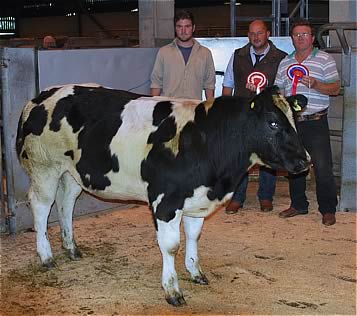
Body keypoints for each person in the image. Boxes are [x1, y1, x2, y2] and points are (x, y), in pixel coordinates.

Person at [274, 19, 340, 226]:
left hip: (316, 120)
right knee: (295, 165)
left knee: (322, 167)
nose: (300, 38)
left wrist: (317, 84)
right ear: (292, 39)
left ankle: (328, 209)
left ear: (312, 38)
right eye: (296, 35)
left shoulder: (324, 59)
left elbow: (335, 88)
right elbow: (278, 91)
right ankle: (298, 204)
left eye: (304, 34)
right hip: (293, 122)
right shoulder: (285, 62)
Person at [222, 20, 287, 214]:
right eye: (252, 33)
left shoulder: (281, 58)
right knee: (240, 157)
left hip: (267, 116)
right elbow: (228, 83)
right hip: (242, 115)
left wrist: (266, 91)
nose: (255, 37)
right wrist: (226, 110)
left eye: (259, 33)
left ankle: (266, 196)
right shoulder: (237, 56)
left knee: (267, 156)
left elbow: (283, 89)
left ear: (268, 34)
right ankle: (237, 197)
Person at [150, 10, 216, 100]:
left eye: (187, 26)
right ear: (175, 28)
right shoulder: (163, 53)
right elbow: (156, 83)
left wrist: (210, 111)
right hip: (168, 109)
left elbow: (209, 85)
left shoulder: (205, 54)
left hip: (193, 109)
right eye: (179, 26)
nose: (183, 31)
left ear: (193, 28)